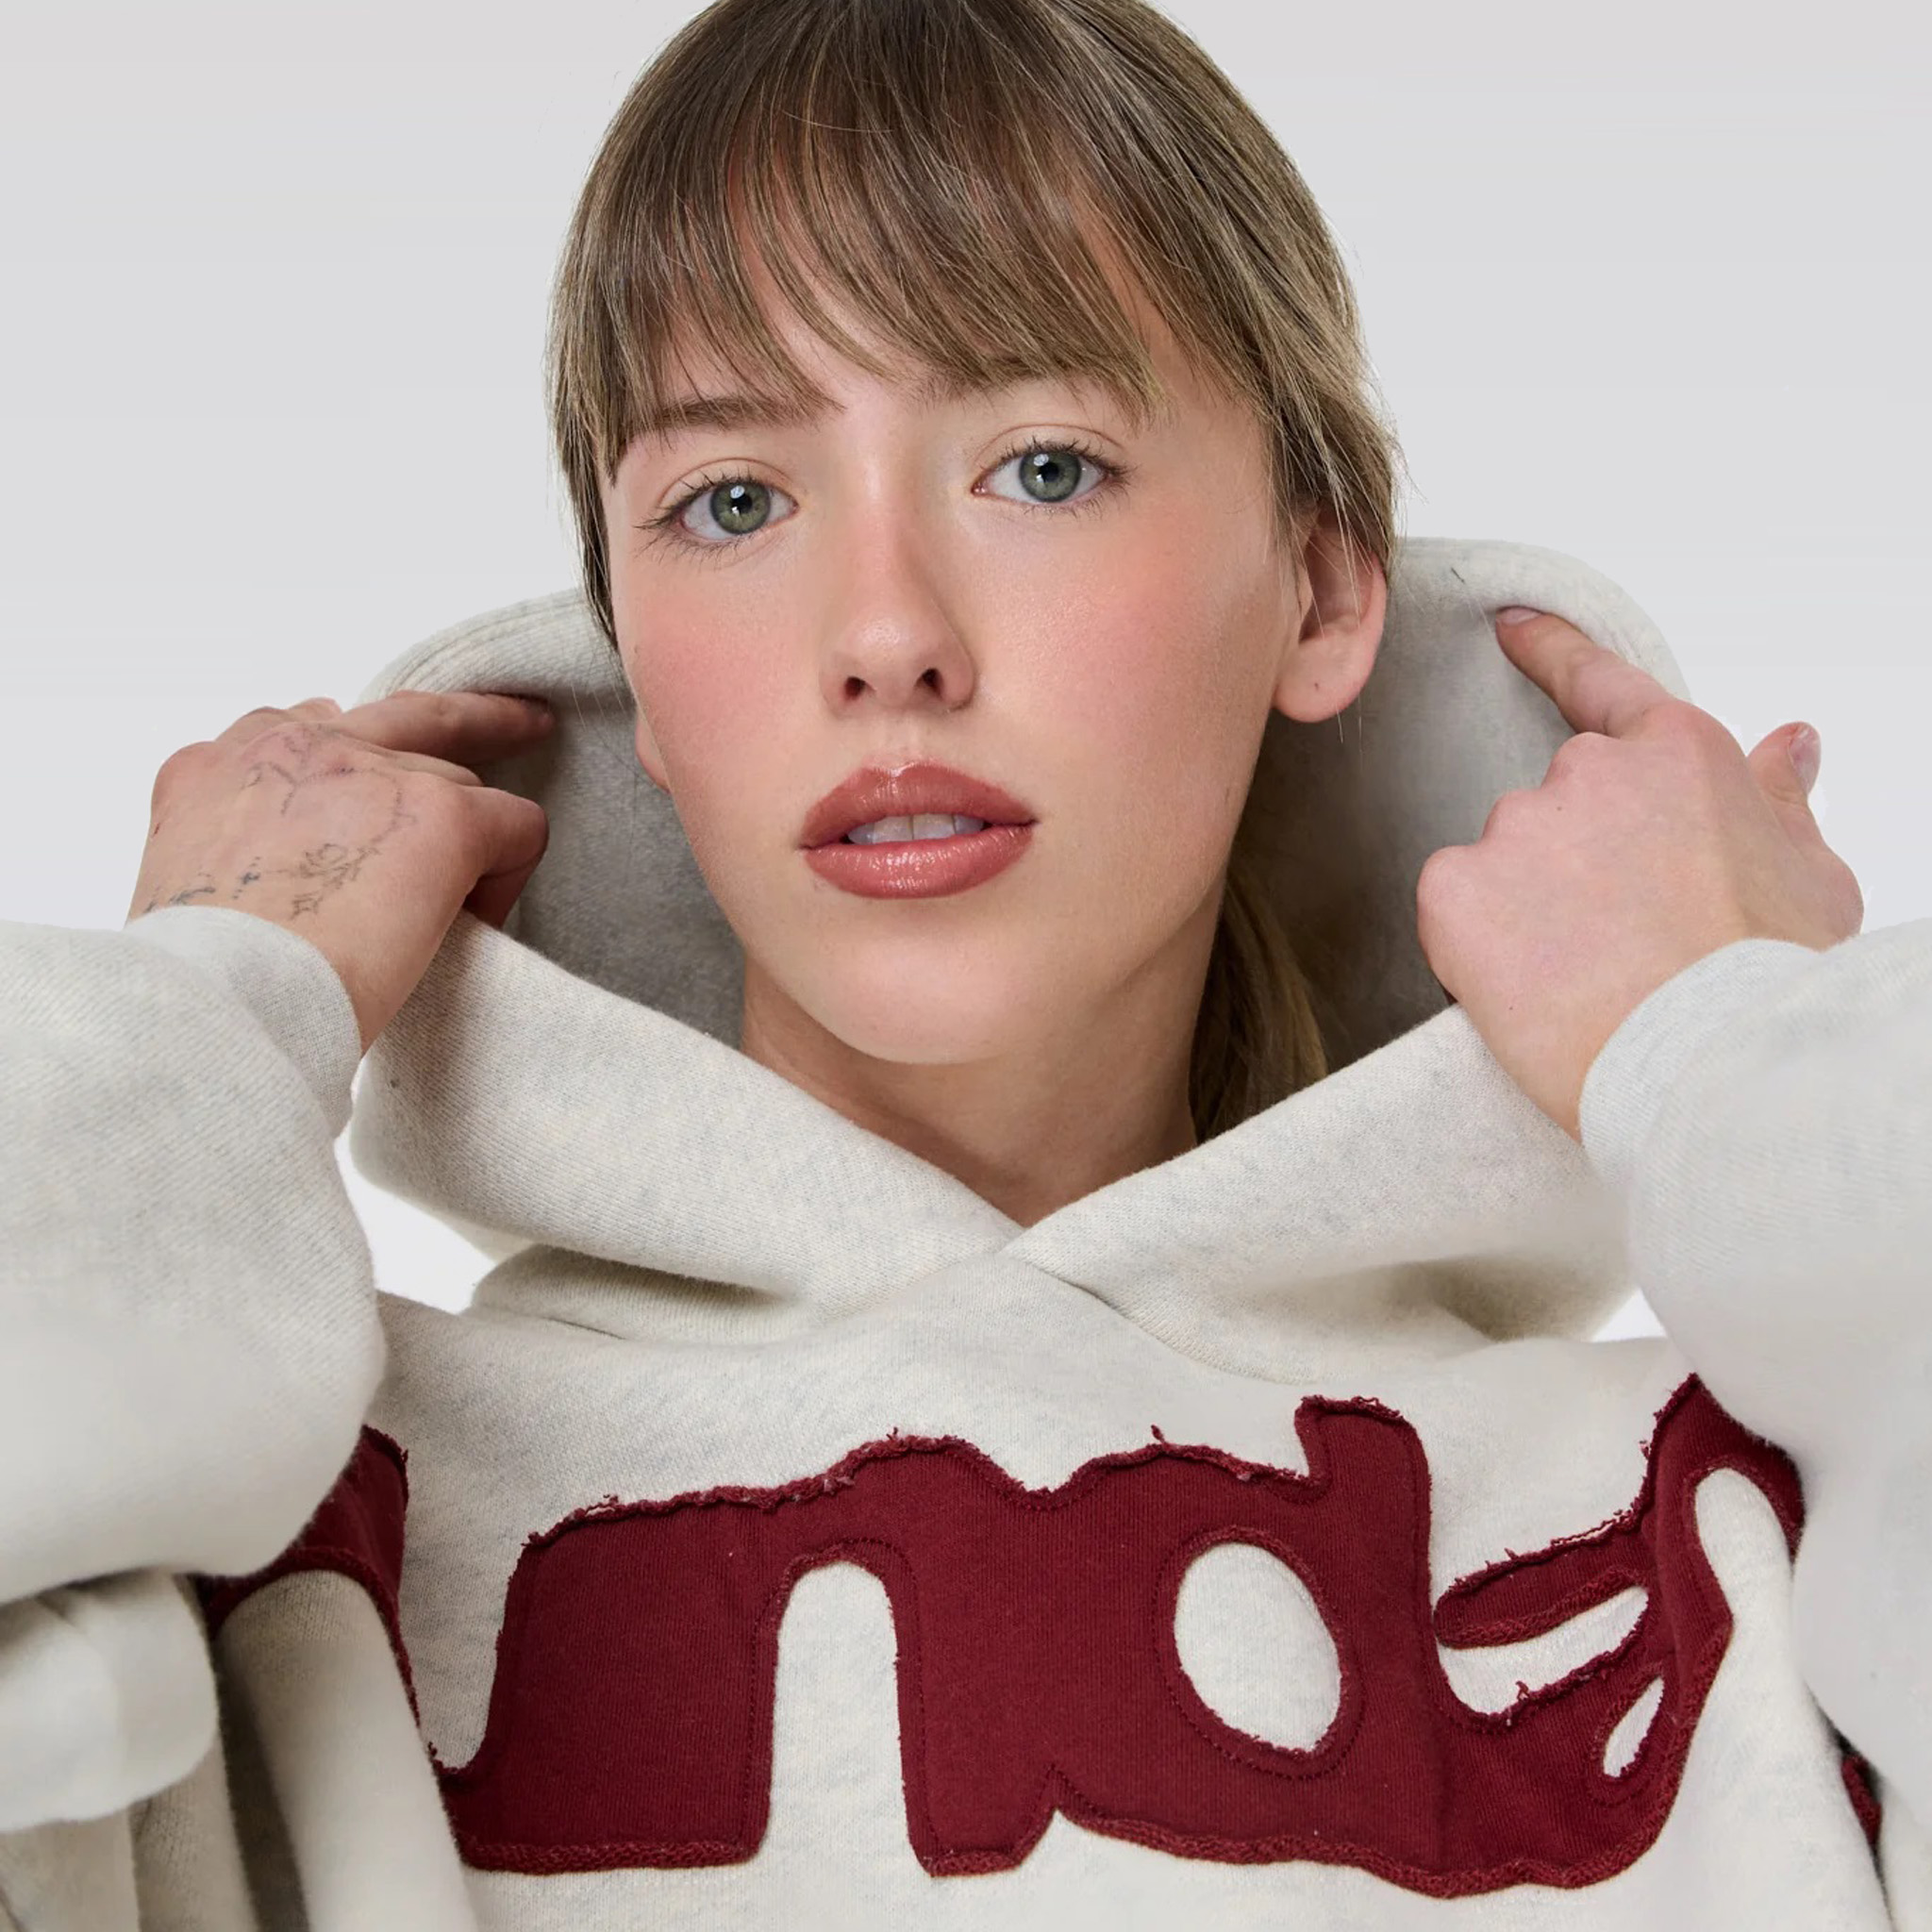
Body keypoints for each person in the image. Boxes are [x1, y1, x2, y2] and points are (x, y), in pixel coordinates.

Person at [2, 0, 1928, 1924]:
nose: (886, 637)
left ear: (1322, 583)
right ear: (631, 667)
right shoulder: (263, 1541)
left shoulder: (1738, 1531)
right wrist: (212, 1012)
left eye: (1043, 466)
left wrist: (1734, 1055)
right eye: (733, 501)